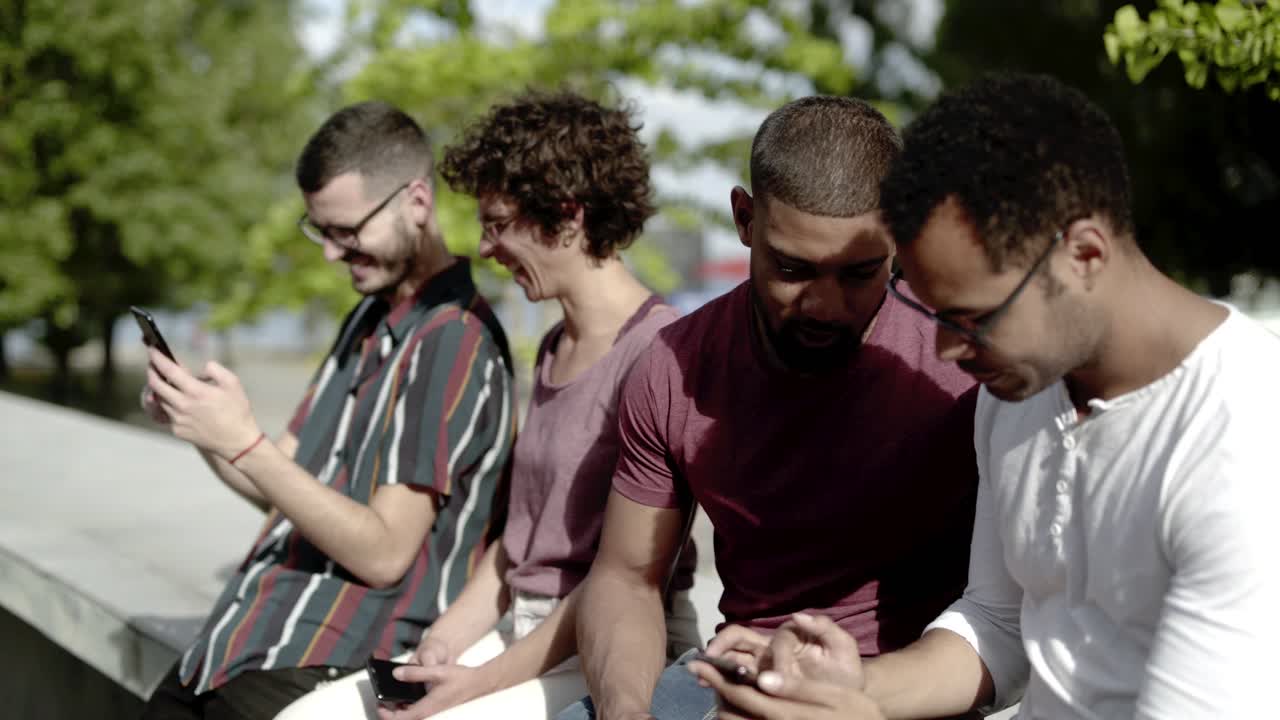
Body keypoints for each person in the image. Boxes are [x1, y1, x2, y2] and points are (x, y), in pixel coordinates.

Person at [693, 72, 1280, 720]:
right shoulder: (1019, 393)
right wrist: (849, 687)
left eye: (971, 318)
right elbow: (999, 623)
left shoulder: (1244, 437)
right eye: (932, 312)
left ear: (1083, 253)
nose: (947, 350)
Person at [273, 90, 701, 720]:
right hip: (519, 636)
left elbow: (623, 580)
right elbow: (516, 543)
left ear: (568, 215)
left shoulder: (658, 352)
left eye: (498, 223)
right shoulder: (555, 347)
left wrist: (478, 683)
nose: (485, 245)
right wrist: (443, 642)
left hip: (609, 650)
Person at [556, 95, 982, 720]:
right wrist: (626, 711)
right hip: (737, 676)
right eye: (793, 268)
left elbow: (1011, 615)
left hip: (905, 693)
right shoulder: (674, 367)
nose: (825, 305)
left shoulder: (962, 358)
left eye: (859, 273)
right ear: (745, 219)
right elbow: (626, 576)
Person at [138, 100, 516, 720]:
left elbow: (386, 553)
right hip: (246, 643)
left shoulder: (452, 339)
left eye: (348, 231)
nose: (331, 254)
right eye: (321, 231)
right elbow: (283, 482)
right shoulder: (371, 318)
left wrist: (243, 444)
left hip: (328, 660)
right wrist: (201, 425)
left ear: (416, 203)